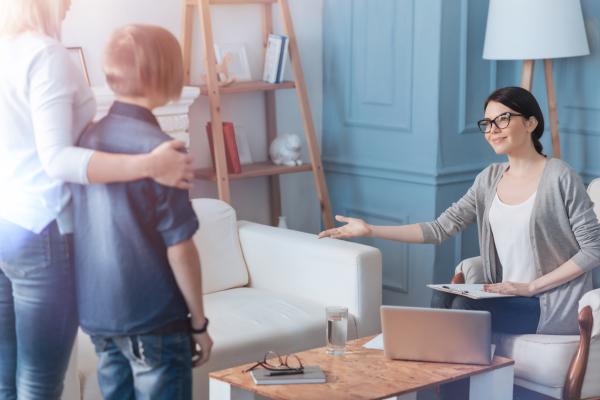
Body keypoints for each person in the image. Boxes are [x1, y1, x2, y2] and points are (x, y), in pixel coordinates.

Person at [0, 1, 193, 399]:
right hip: (43, 230)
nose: (69, 5)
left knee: (5, 377)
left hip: (8, 224)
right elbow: (55, 159)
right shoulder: (46, 53)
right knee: (39, 380)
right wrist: (150, 164)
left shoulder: (7, 48)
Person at [319, 86, 600, 336]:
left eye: (503, 119)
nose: (493, 129)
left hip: (549, 300)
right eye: (487, 123)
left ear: (530, 123)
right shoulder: (489, 178)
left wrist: (531, 287)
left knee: (464, 307)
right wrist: (370, 229)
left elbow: (594, 249)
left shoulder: (560, 176)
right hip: (505, 293)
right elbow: (440, 228)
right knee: (443, 298)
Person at [71, 24, 213, 400]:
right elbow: (180, 247)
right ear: (164, 74)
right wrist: (199, 323)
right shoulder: (164, 151)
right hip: (154, 319)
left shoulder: (87, 141)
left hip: (99, 317)